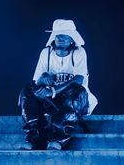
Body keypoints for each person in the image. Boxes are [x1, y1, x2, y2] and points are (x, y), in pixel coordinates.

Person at [18, 19, 98, 150]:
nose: (61, 38)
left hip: (76, 101)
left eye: (66, 35)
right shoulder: (46, 53)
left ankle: (58, 139)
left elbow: (78, 79)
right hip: (52, 101)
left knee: (76, 90)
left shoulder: (79, 53)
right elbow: (37, 81)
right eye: (59, 35)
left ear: (72, 39)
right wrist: (42, 78)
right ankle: (33, 136)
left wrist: (53, 90)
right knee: (27, 91)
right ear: (53, 37)